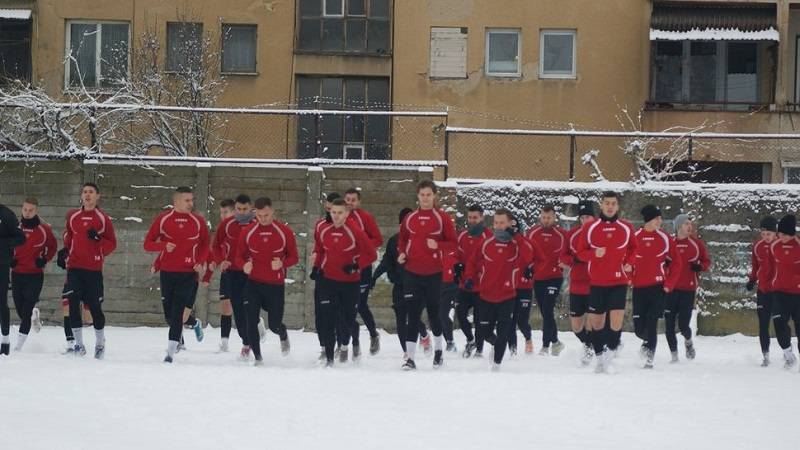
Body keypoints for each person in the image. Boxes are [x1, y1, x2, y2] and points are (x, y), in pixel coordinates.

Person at [144, 186, 210, 363]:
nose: (191, 203)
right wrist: (163, 246)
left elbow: (205, 244)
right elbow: (148, 244)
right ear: (176, 201)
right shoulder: (163, 219)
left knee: (178, 313)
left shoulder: (197, 221)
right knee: (170, 316)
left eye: (192, 200)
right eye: (187, 200)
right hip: (167, 273)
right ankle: (193, 323)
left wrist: (200, 261)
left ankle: (170, 353)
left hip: (188, 274)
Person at [397, 180, 457, 370]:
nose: (425, 198)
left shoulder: (442, 218)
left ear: (434, 196)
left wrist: (438, 245)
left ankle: (439, 351)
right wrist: (402, 253)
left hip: (434, 273)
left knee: (433, 314)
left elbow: (453, 244)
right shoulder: (410, 218)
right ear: (418, 196)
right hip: (412, 272)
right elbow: (403, 240)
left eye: (428, 195)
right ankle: (410, 358)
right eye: (422, 195)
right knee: (412, 315)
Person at [463, 208, 533, 371]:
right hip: (486, 295)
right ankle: (494, 345)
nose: (499, 226)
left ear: (509, 224)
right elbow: (472, 262)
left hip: (507, 296)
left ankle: (497, 365)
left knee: (504, 332)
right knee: (486, 332)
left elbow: (529, 256)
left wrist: (516, 235)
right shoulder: (486, 242)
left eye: (502, 223)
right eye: (496, 223)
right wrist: (469, 278)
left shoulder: (516, 244)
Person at [576, 191, 637, 374]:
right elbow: (580, 253)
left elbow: (634, 248)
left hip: (618, 281)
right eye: (607, 203)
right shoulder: (590, 227)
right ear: (601, 206)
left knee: (616, 321)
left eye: (613, 203)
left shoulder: (626, 227)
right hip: (597, 283)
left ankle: (609, 355)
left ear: (617, 207)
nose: (610, 206)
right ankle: (600, 358)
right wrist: (594, 253)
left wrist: (629, 263)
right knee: (597, 324)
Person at [312, 198, 376, 366]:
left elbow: (371, 255)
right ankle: (329, 359)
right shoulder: (322, 229)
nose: (336, 216)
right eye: (333, 212)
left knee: (347, 320)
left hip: (349, 282)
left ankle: (345, 345)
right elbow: (319, 249)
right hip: (328, 280)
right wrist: (316, 268)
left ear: (347, 213)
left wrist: (356, 266)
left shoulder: (355, 231)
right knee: (328, 319)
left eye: (340, 213)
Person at [235, 197, 298, 365]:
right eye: (260, 215)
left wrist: (282, 264)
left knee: (274, 325)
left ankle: (282, 333)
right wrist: (244, 265)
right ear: (255, 213)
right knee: (251, 320)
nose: (263, 219)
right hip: (253, 284)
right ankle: (258, 358)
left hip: (275, 285)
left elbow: (294, 257)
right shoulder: (247, 231)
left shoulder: (284, 231)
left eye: (267, 215)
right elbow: (238, 257)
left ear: (273, 212)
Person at [62, 182, 117, 359]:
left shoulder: (103, 218)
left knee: (94, 308)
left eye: (91, 192)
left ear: (97, 196)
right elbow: (68, 238)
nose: (87, 195)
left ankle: (100, 343)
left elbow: (111, 244)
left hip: (93, 270)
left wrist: (98, 240)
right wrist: (64, 253)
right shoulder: (73, 216)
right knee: (72, 304)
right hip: (74, 268)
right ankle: (79, 345)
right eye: (85, 192)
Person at [211, 194, 266, 356]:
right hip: (233, 273)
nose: (241, 212)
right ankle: (246, 340)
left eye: (245, 209)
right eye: (238, 209)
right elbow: (215, 246)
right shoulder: (227, 224)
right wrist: (222, 260)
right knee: (239, 312)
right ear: (235, 209)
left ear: (251, 208)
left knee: (250, 308)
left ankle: (249, 344)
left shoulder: (258, 224)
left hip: (252, 273)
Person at [630, 205, 682, 369]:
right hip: (639, 289)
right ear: (648, 220)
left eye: (660, 218)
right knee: (639, 328)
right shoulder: (634, 237)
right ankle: (646, 341)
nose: (660, 221)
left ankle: (649, 358)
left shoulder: (665, 238)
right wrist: (630, 279)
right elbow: (625, 262)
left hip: (658, 288)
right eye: (657, 218)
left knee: (652, 322)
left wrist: (669, 284)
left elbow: (677, 264)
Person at [372, 207, 428, 357]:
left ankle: (423, 333)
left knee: (413, 317)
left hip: (418, 286)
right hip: (400, 286)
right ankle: (407, 353)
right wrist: (374, 277)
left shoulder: (422, 240)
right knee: (401, 320)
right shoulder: (394, 241)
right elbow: (386, 262)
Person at [10, 198, 57, 352]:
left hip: (35, 275)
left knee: (28, 305)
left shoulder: (44, 230)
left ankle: (18, 347)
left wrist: (43, 260)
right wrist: (9, 260)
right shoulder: (13, 228)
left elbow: (52, 247)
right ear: (21, 210)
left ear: (36, 211)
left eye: (31, 210)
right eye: (25, 209)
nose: (27, 213)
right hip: (17, 274)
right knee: (20, 310)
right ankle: (32, 315)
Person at [344, 188, 384, 356]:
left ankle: (374, 334)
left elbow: (378, 239)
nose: (350, 203)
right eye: (348, 199)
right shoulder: (340, 217)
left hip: (363, 267)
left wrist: (363, 245)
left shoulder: (365, 217)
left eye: (353, 200)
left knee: (360, 304)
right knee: (346, 307)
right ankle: (353, 342)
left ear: (359, 202)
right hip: (345, 268)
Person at [525, 205, 567, 356]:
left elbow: (569, 253)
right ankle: (556, 342)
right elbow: (526, 251)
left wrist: (565, 261)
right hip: (538, 278)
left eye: (549, 217)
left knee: (548, 309)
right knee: (545, 312)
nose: (546, 220)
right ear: (540, 217)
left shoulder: (562, 234)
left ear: (554, 217)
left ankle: (545, 346)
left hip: (554, 277)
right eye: (544, 217)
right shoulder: (532, 233)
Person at [668, 214, 711, 362]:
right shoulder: (670, 242)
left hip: (688, 289)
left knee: (683, 325)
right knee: (668, 326)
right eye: (686, 224)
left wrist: (699, 266)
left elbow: (706, 261)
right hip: (670, 289)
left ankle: (688, 341)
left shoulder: (696, 244)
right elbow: (660, 260)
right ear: (679, 226)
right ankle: (674, 356)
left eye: (690, 224)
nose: (689, 226)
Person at [560, 200, 596, 365]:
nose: (584, 220)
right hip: (576, 284)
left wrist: (589, 257)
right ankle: (589, 344)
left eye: (588, 217)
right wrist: (575, 259)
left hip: (594, 283)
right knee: (576, 326)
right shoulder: (572, 234)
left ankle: (590, 349)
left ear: (594, 218)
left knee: (591, 322)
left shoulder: (598, 233)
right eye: (582, 217)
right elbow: (564, 256)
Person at [455, 204, 493, 358]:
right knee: (460, 315)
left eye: (475, 218)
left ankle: (479, 349)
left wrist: (475, 275)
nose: (472, 220)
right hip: (464, 284)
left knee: (479, 320)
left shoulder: (488, 236)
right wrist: (456, 266)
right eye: (470, 217)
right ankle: (470, 340)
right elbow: (456, 254)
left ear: (482, 217)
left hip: (480, 287)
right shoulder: (462, 235)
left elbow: (488, 261)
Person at [768, 214, 800, 369]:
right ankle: (787, 352)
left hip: (798, 294)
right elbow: (770, 267)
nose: (780, 236)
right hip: (780, 292)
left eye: (783, 234)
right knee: (779, 322)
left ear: (791, 233)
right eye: (779, 234)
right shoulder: (775, 246)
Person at [746, 216, 777, 366]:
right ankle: (766, 355)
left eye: (769, 234)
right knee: (763, 324)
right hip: (763, 290)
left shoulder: (780, 245)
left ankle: (787, 350)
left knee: (780, 324)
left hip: (779, 291)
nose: (765, 237)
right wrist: (752, 280)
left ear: (775, 233)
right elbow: (755, 265)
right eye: (763, 234)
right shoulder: (757, 246)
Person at [0, 199, 25, 355]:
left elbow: (21, 238)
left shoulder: (6, 214)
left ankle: (5, 341)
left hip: (1, 264)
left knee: (1, 302)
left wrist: (2, 244)